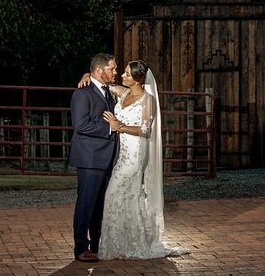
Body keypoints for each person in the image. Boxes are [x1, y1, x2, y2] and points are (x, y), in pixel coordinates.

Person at [97, 60, 186, 259]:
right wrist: (87, 76)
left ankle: (135, 243)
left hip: (136, 151)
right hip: (122, 152)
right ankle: (118, 243)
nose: (122, 76)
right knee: (117, 195)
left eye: (127, 74)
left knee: (123, 192)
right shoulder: (124, 93)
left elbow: (146, 130)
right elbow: (107, 86)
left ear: (137, 79)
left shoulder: (148, 100)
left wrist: (119, 126)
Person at [70, 53, 119, 262]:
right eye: (112, 69)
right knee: (86, 204)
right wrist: (110, 127)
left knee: (99, 206)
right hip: (90, 159)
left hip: (105, 158)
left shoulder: (108, 92)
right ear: (100, 71)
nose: (115, 72)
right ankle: (81, 248)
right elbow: (80, 125)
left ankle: (96, 245)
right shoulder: (83, 94)